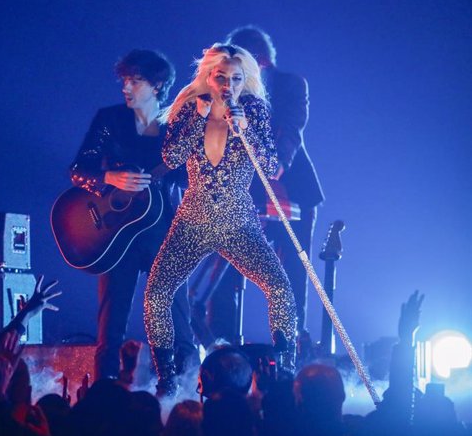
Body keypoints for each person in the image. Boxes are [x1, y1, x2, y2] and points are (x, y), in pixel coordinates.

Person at [144, 44, 297, 395]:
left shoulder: (254, 110)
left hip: (237, 220)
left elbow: (271, 168)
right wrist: (199, 117)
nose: (229, 85)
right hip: (194, 218)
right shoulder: (189, 108)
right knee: (156, 292)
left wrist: (248, 132)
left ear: (246, 80)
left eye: (237, 78)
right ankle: (167, 380)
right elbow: (170, 158)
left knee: (280, 290)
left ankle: (283, 372)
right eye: (221, 77)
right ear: (208, 76)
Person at [69, 49, 197, 381]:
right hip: (115, 235)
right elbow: (78, 170)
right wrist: (109, 178)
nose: (126, 87)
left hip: (163, 232)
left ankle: (179, 392)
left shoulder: (178, 126)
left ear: (157, 86)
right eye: (124, 80)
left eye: (135, 81)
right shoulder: (109, 120)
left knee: (175, 319)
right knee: (110, 327)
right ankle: (104, 397)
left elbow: (192, 177)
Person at [227, 26, 324, 334]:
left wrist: (279, 161)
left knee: (293, 271)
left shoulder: (291, 84)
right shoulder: (229, 88)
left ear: (262, 61)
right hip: (243, 188)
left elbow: (292, 127)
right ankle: (224, 345)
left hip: (292, 187)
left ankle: (291, 343)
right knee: (227, 269)